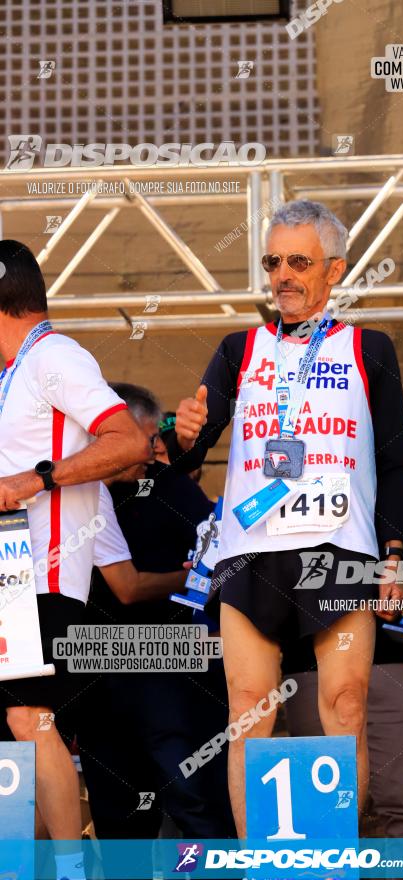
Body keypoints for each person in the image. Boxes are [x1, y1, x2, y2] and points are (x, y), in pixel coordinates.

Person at [168, 199, 403, 836]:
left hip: (342, 549)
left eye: (298, 262)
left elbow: (395, 464)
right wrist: (183, 432)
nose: (283, 275)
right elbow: (189, 445)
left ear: (334, 270)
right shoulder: (237, 347)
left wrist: (393, 556)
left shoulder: (370, 348)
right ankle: (260, 863)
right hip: (251, 551)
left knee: (346, 705)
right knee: (248, 711)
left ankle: (336, 860)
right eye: (273, 262)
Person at [0, 240, 149, 879]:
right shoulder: (11, 373)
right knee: (18, 735)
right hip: (11, 581)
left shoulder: (54, 355)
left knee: (29, 717)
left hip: (47, 573)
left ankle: (70, 867)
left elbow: (130, 441)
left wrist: (35, 480)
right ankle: (30, 865)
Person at [76, 383, 235, 845]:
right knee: (118, 813)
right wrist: (187, 578)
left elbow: (221, 560)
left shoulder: (170, 488)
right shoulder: (72, 493)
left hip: (176, 671)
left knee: (195, 802)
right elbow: (128, 588)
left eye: (155, 442)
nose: (151, 452)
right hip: (98, 672)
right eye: (145, 440)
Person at [283, 487, 403, 838]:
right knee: (323, 812)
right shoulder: (271, 462)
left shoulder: (385, 468)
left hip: (387, 660)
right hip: (309, 662)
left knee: (401, 803)